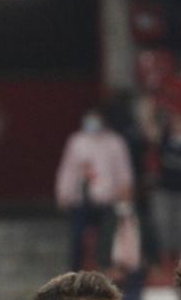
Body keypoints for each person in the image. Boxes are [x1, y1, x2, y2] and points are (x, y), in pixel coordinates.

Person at [56, 110, 134, 270]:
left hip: (108, 199)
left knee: (107, 237)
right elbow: (68, 168)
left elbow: (123, 169)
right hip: (81, 199)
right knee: (77, 236)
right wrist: (63, 192)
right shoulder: (77, 141)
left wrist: (125, 188)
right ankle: (74, 272)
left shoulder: (115, 142)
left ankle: (104, 270)